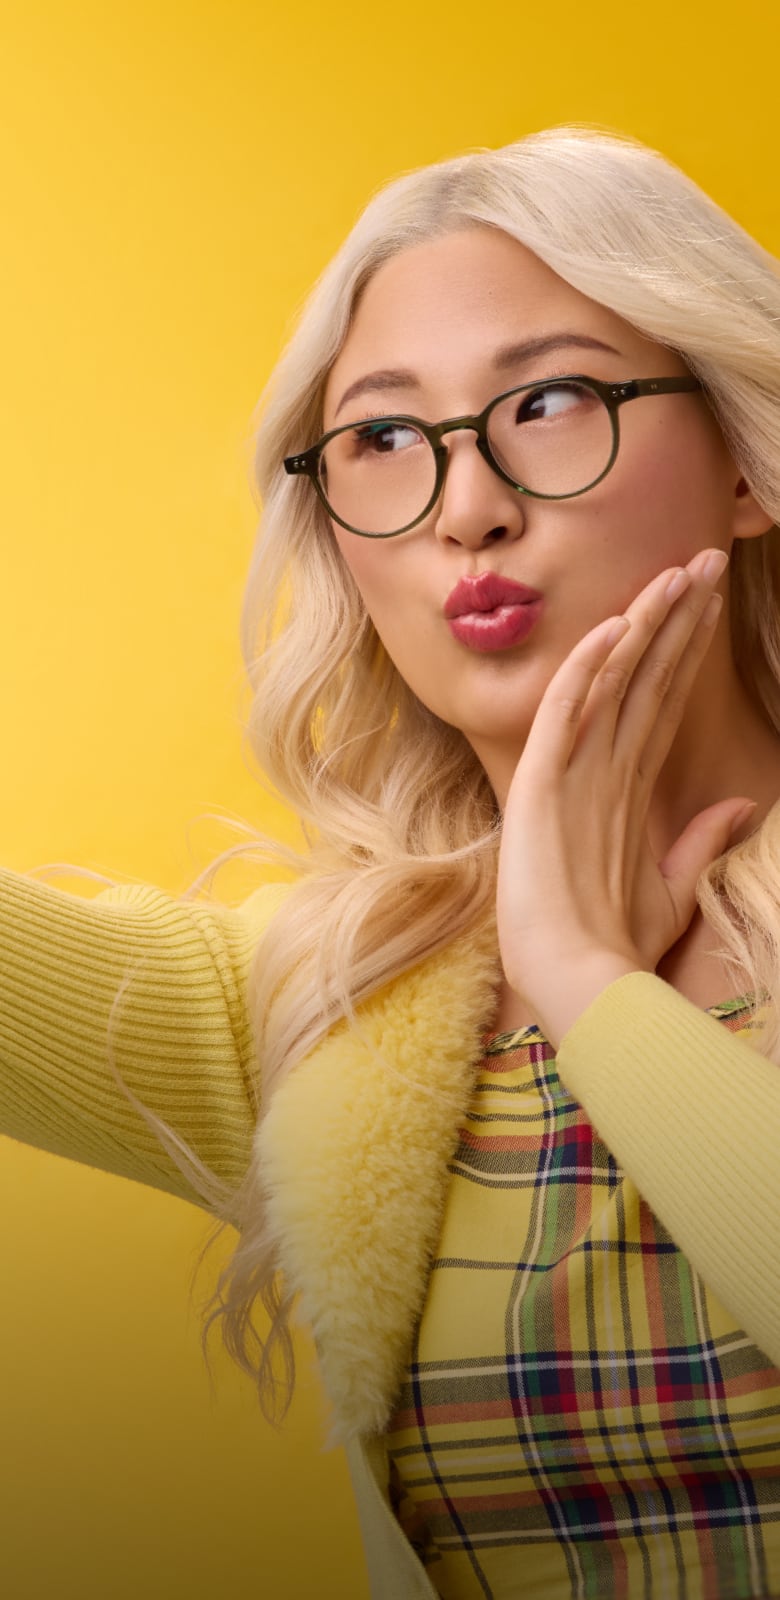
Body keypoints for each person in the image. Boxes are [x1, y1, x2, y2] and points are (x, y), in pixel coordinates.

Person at [2, 124, 780, 1600]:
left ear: (747, 463)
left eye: (547, 401)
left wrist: (588, 982)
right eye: (382, 439)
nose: (462, 505)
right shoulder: (328, 1008)